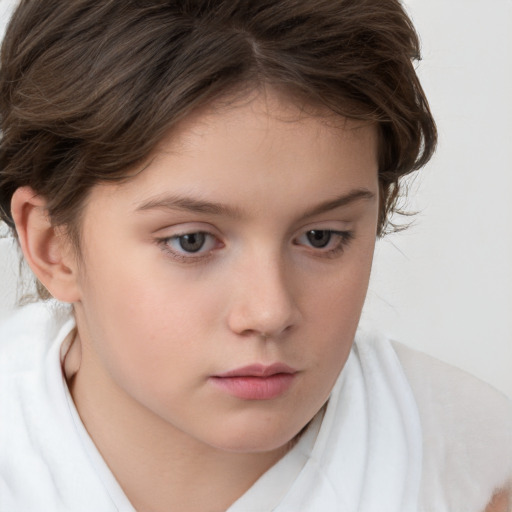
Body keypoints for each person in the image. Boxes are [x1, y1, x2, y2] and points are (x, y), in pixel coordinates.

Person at [0, 1, 510, 511]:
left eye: (320, 237)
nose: (270, 312)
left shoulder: (467, 472)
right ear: (53, 246)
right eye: (191, 241)